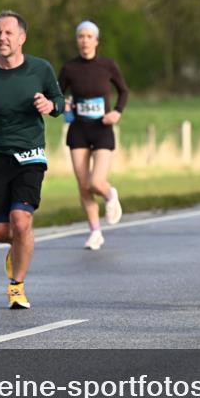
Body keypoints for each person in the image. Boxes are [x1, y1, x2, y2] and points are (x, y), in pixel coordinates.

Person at [0, 11, 65, 309]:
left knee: (21, 222)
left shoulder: (40, 69)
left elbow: (59, 100)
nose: (2, 38)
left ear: (22, 38)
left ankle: (16, 286)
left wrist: (50, 105)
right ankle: (20, 246)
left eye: (8, 33)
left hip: (30, 155)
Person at [58, 21, 129, 250]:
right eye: (81, 36)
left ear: (96, 41)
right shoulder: (69, 68)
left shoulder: (108, 65)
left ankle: (110, 194)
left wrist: (117, 112)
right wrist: (64, 104)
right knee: (83, 186)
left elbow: (124, 91)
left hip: (102, 130)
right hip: (78, 129)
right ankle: (95, 231)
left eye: (89, 36)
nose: (85, 40)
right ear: (77, 40)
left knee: (96, 182)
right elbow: (57, 95)